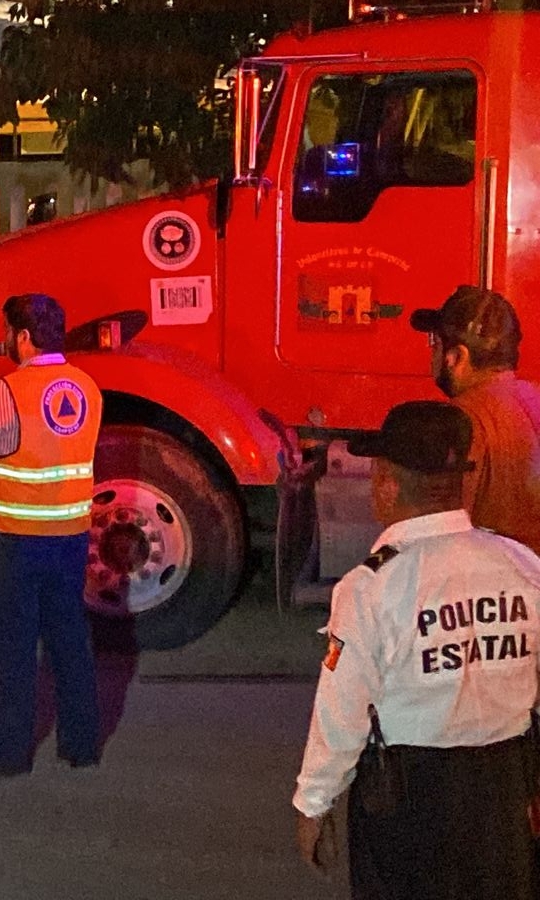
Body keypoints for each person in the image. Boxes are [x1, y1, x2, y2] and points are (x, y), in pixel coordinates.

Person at [293, 400, 540, 899]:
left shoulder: (372, 588)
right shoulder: (522, 567)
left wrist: (313, 804)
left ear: (386, 483)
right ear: (460, 483)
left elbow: (341, 714)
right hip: (507, 790)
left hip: (408, 798)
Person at [0, 293, 102, 776]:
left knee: (13, 647)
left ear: (22, 336)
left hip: (13, 539)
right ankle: (80, 744)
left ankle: (7, 750)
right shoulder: (87, 387)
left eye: (6, 332)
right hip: (71, 537)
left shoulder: (2, 391)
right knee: (69, 639)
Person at [411, 285, 540, 552]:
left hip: (492, 584)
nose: (431, 355)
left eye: (435, 343)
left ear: (456, 357)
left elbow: (443, 532)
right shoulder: (534, 399)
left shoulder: (461, 420)